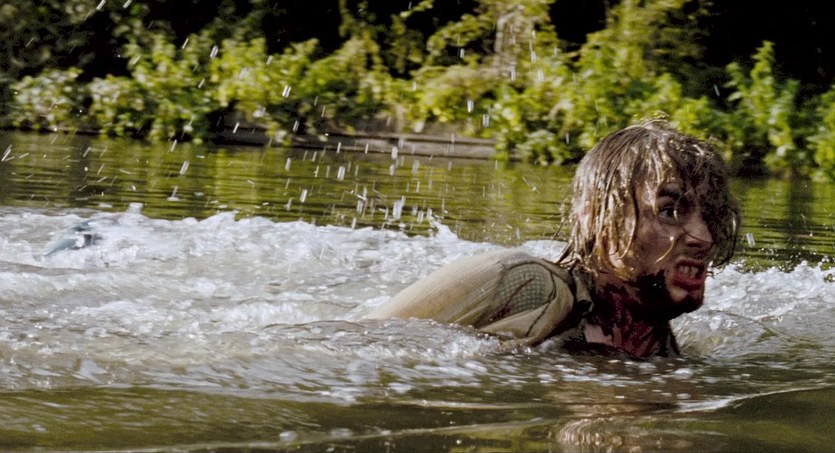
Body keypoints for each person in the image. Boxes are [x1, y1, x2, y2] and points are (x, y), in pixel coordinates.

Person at [366, 120, 740, 358]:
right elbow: (360, 343)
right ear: (597, 216)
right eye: (669, 211)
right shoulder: (520, 283)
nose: (704, 238)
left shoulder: (661, 348)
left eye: (709, 215)